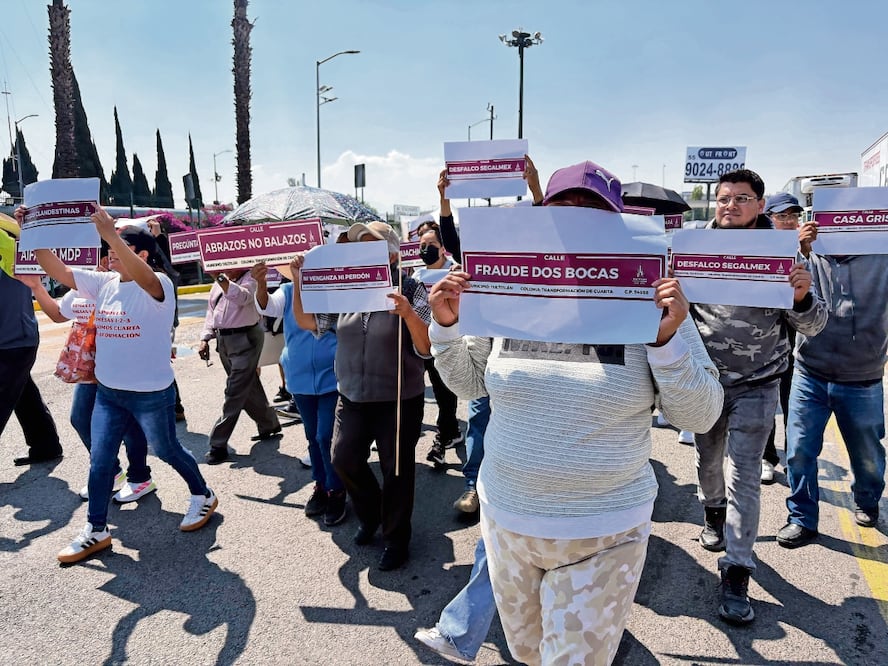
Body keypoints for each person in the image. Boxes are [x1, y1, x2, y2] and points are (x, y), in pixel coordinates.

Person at [429, 161, 723, 664]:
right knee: (524, 654)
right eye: (562, 211)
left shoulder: (651, 299)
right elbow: (467, 382)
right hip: (508, 523)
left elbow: (700, 415)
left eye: (593, 213)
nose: (575, 225)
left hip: (603, 530)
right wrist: (447, 326)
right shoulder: (506, 288)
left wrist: (667, 342)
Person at [32, 208, 218, 563]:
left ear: (143, 254)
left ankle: (203, 494)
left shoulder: (159, 284)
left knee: (166, 450)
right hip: (108, 393)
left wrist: (112, 234)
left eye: (118, 249)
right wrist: (34, 231)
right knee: (101, 461)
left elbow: (145, 279)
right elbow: (61, 271)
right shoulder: (103, 284)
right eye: (108, 249)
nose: (109, 254)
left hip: (151, 394)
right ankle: (96, 529)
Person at [689, 170, 827, 624]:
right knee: (709, 464)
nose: (730, 205)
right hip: (705, 381)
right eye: (724, 198)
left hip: (759, 383)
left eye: (742, 199)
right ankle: (713, 514)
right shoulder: (692, 250)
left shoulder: (782, 254)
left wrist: (803, 297)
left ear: (760, 205)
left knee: (743, 475)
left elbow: (814, 324)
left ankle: (737, 569)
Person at [290, 221, 431, 571]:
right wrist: (298, 280)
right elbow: (309, 322)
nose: (362, 252)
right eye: (358, 246)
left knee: (396, 470)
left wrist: (408, 314)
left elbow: (428, 346)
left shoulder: (412, 288)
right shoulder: (344, 291)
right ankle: (372, 516)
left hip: (398, 398)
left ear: (393, 254)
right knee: (343, 458)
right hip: (351, 395)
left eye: (371, 245)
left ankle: (397, 538)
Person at [433, 157, 545, 513]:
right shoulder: (479, 258)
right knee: (478, 417)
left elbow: (550, 226)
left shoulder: (539, 259)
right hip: (488, 351)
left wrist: (536, 190)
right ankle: (472, 486)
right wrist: (444, 199)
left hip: (530, 355)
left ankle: (529, 488)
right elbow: (449, 236)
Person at [20, 245, 156, 503]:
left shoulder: (124, 285)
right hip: (90, 367)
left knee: (128, 423)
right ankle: (112, 472)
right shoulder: (85, 284)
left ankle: (140, 477)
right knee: (80, 417)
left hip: (120, 364)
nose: (111, 256)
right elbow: (59, 315)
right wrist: (36, 288)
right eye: (109, 252)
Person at [777, 243, 888, 547]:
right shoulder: (807, 253)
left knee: (867, 454)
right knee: (799, 451)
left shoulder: (881, 255)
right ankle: (801, 517)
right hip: (810, 372)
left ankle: (866, 499)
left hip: (863, 376)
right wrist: (799, 249)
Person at [252, 261, 346, 526]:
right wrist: (260, 283)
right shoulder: (287, 289)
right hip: (300, 378)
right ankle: (321, 484)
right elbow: (267, 306)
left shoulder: (333, 289)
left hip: (332, 377)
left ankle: (337, 489)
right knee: (312, 438)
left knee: (326, 436)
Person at [199, 267, 281, 464]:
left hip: (246, 338)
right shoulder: (221, 281)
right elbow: (212, 311)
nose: (223, 268)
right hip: (224, 341)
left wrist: (220, 278)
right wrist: (205, 337)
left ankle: (218, 443)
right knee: (248, 385)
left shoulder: (251, 279)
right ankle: (269, 424)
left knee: (234, 391)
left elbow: (243, 297)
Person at [0, 215, 63, 465]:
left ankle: (45, 444)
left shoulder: (10, 255)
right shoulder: (14, 252)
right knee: (24, 393)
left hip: (12, 339)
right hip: (15, 338)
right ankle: (45, 444)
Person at [760, 192, 811, 484]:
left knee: (794, 407)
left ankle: (793, 459)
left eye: (794, 216)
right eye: (782, 216)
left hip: (797, 344)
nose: (789, 221)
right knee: (767, 407)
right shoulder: (761, 249)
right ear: (770, 219)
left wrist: (805, 250)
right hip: (766, 342)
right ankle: (768, 457)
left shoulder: (808, 248)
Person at [411, 222, 464, 469]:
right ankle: (450, 432)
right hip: (419, 343)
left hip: (445, 343)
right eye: (422, 245)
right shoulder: (413, 277)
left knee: (444, 395)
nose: (426, 249)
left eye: (431, 245)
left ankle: (441, 441)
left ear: (443, 249)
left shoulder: (455, 272)